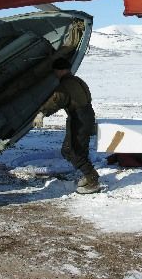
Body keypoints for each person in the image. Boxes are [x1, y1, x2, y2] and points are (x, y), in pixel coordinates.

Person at [40, 57, 99, 194]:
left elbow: (56, 100)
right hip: (83, 117)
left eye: (55, 71)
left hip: (80, 119)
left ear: (59, 71)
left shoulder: (66, 85)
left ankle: (93, 180)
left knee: (76, 152)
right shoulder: (77, 80)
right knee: (68, 150)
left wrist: (42, 113)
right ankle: (88, 174)